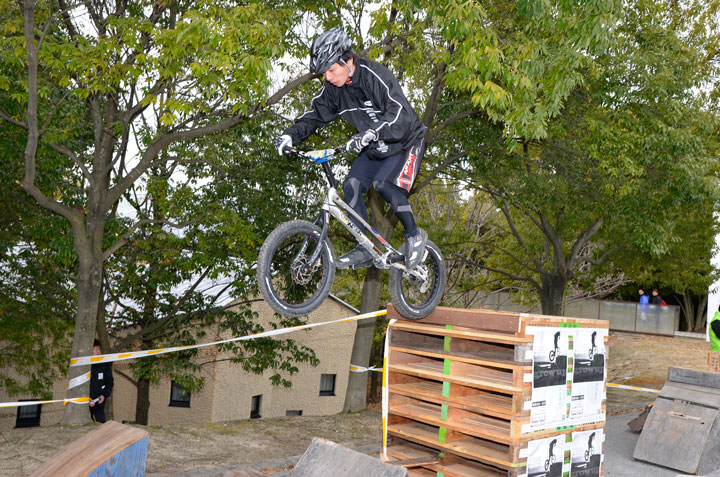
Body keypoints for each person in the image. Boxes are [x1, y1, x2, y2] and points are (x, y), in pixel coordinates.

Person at [274, 27, 428, 270]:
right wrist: (289, 135)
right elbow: (314, 116)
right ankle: (366, 248)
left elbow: (400, 113)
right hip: (374, 148)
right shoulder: (333, 90)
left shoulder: (374, 75)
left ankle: (414, 234)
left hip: (405, 141)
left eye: (332, 70)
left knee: (384, 184)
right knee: (351, 185)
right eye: (324, 73)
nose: (328, 77)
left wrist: (373, 131)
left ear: (347, 61)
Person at [89, 339, 114, 423]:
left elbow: (109, 382)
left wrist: (104, 395)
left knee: (101, 425)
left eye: (99, 349)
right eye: (96, 349)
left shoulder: (104, 364)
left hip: (99, 404)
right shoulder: (82, 365)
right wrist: (86, 399)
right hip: (85, 404)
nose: (98, 352)